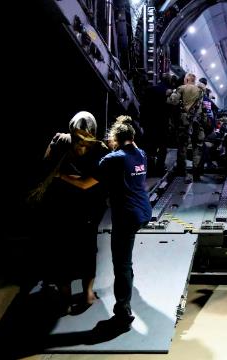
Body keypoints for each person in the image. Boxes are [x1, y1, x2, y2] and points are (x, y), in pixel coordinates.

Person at [38, 111, 109, 314]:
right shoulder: (61, 141)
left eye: (86, 140)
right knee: (63, 252)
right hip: (63, 207)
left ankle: (87, 293)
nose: (82, 146)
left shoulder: (100, 149)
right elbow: (46, 165)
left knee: (86, 250)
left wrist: (62, 175)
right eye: (78, 140)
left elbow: (92, 182)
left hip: (87, 209)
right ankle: (67, 298)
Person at [97, 121, 152, 330]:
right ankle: (128, 287)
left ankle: (123, 310)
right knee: (125, 261)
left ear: (115, 139)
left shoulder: (113, 158)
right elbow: (133, 149)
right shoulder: (141, 154)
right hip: (144, 212)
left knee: (121, 263)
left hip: (127, 216)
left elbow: (93, 176)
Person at [167, 73, 206, 181]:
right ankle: (196, 173)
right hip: (198, 122)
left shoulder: (182, 88)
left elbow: (172, 101)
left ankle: (181, 172)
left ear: (187, 79)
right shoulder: (201, 91)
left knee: (183, 146)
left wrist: (170, 93)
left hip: (185, 122)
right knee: (197, 147)